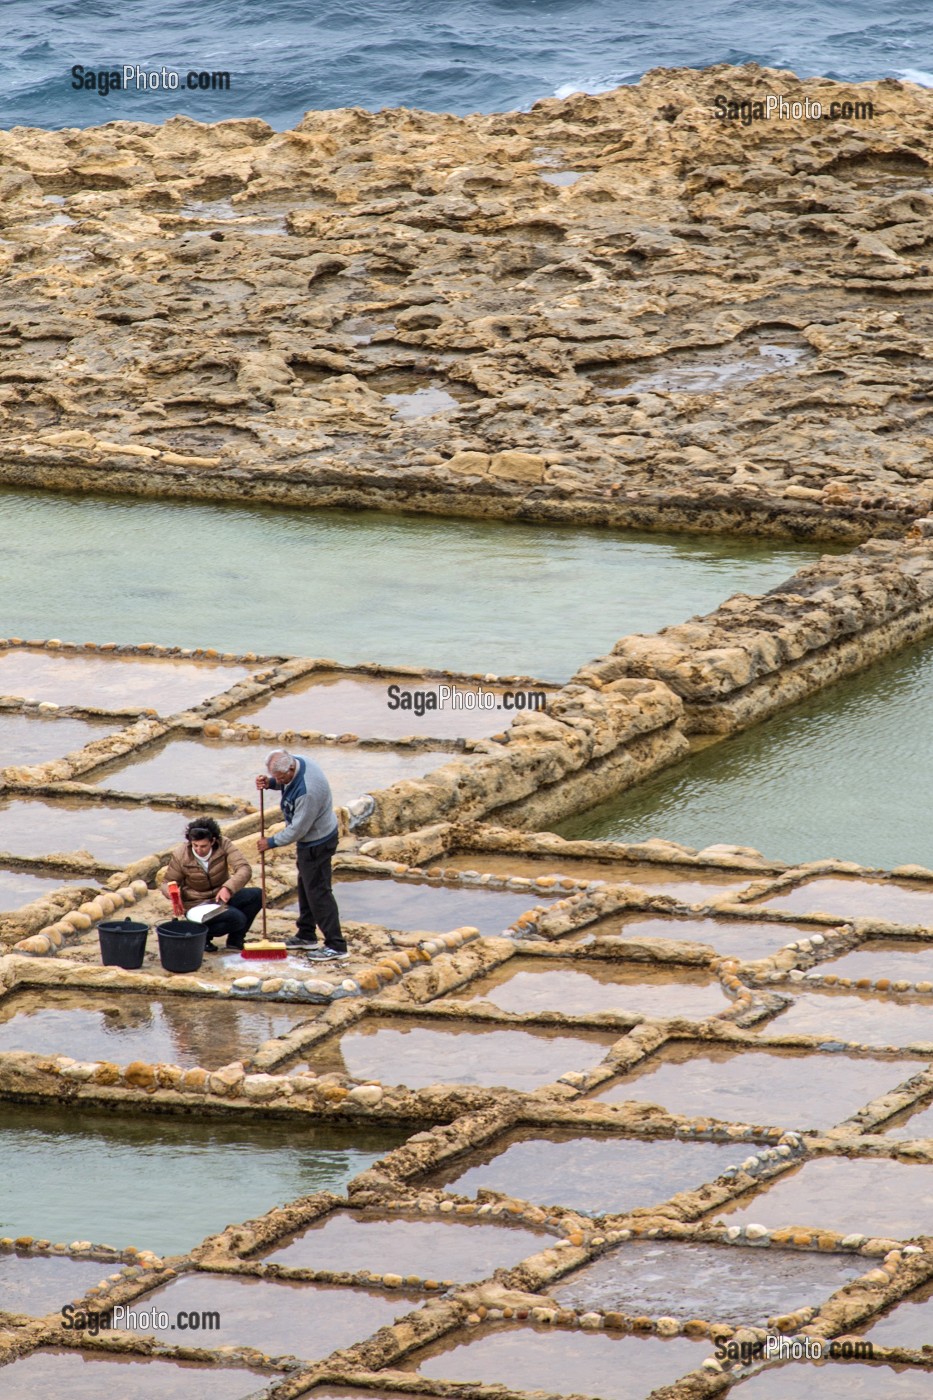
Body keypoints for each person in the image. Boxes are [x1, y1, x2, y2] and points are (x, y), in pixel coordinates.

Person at [256, 748, 347, 961]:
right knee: (305, 887)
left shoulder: (308, 792)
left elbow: (298, 830)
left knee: (318, 893)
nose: (279, 781)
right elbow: (286, 782)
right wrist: (270, 783)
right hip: (310, 842)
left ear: (290, 768)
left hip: (317, 842)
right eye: (275, 777)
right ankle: (306, 935)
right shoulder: (297, 763)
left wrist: (271, 842)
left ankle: (336, 945)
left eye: (280, 778)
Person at [161, 817, 261, 953]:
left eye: (203, 846)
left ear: (213, 841)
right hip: (197, 905)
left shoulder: (224, 844)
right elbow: (167, 882)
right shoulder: (181, 855)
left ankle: (235, 941)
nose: (198, 850)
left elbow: (244, 868)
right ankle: (203, 936)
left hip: (221, 898)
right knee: (238, 919)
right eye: (195, 845)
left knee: (257, 895)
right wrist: (171, 893)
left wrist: (228, 888)